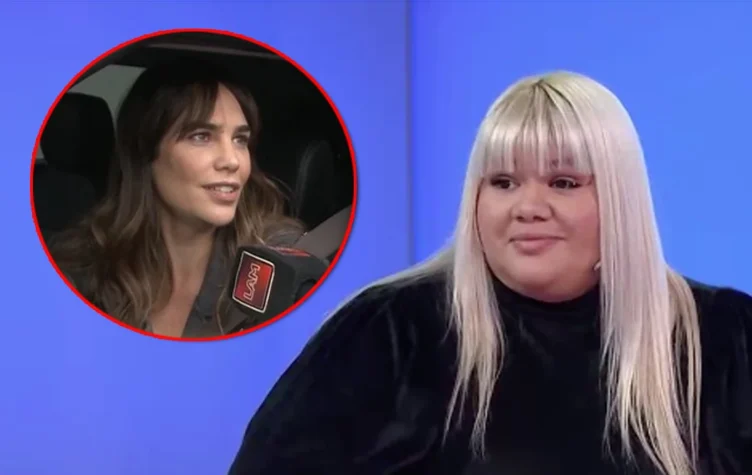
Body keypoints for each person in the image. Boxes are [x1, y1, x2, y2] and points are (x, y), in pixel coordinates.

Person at [227, 71, 752, 474]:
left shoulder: (724, 337)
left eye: (564, 183)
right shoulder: (387, 333)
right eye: (502, 182)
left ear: (620, 199)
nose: (528, 207)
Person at [47, 59, 304, 338]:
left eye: (240, 140)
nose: (232, 161)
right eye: (201, 137)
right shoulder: (83, 267)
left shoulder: (283, 262)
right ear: (146, 152)